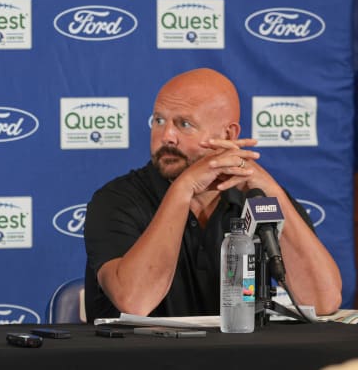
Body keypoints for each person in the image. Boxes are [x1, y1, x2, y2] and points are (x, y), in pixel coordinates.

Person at [83, 68, 342, 320]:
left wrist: (271, 189)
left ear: (228, 135)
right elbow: (134, 302)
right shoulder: (115, 200)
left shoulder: (255, 198)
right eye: (159, 121)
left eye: (184, 124)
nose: (167, 136)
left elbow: (323, 301)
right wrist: (183, 189)